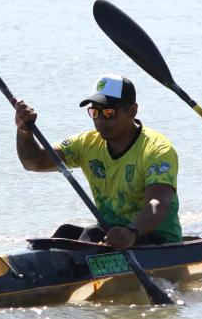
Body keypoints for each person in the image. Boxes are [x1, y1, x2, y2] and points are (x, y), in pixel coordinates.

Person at [14, 73, 182, 249]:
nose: (100, 120)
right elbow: (34, 162)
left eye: (109, 113)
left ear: (132, 111)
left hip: (157, 240)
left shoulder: (157, 150)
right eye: (94, 112)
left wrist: (131, 231)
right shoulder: (87, 144)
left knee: (92, 235)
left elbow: (158, 204)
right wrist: (25, 131)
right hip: (111, 234)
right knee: (66, 233)